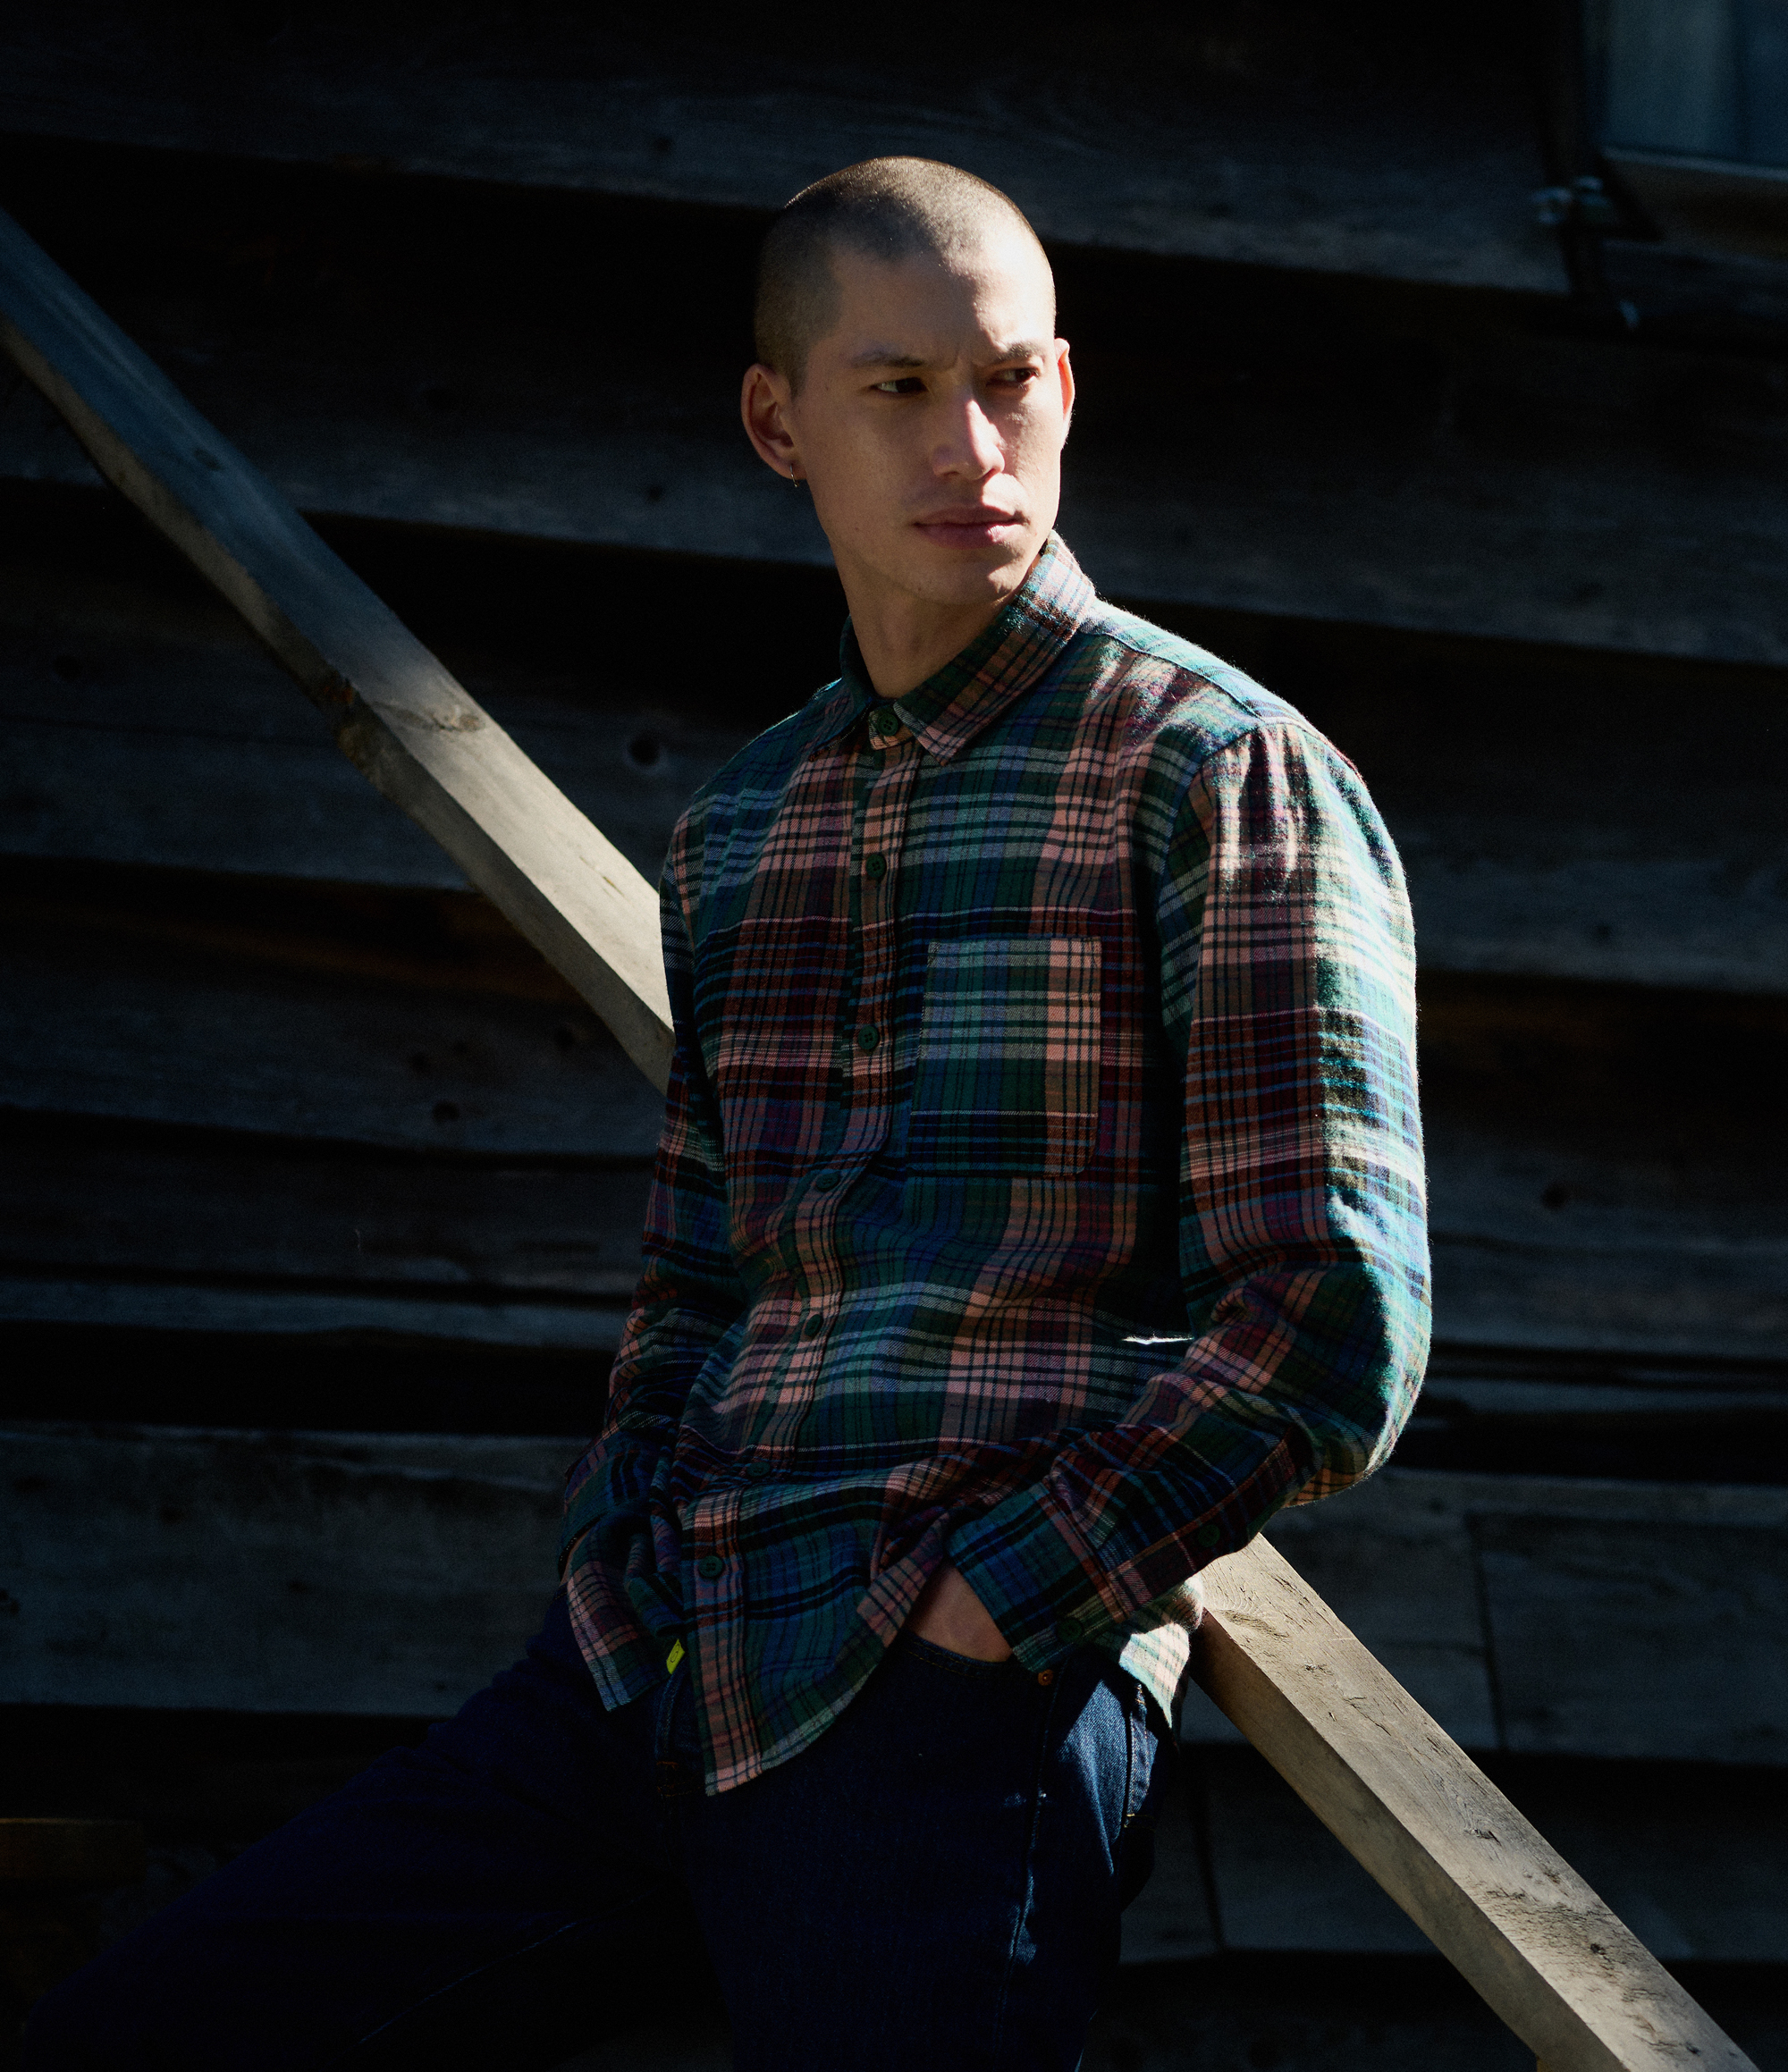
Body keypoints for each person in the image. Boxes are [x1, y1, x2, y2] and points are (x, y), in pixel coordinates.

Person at [25, 157, 1429, 2071]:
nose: (970, 445)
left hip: (949, 1691)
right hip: (652, 1655)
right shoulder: (744, 825)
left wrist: (988, 1609)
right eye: (897, 389)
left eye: (1007, 381)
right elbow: (702, 1276)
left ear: (1065, 387)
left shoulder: (1212, 770)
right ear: (779, 423)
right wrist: (621, 1556)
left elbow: (1331, 1318)